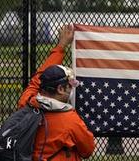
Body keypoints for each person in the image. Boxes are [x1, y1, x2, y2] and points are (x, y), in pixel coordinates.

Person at [17, 24, 95, 161]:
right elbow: (88, 150)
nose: (71, 90)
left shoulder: (27, 102)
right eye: (69, 86)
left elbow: (37, 80)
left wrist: (61, 46)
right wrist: (62, 45)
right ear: (60, 89)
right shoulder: (70, 120)